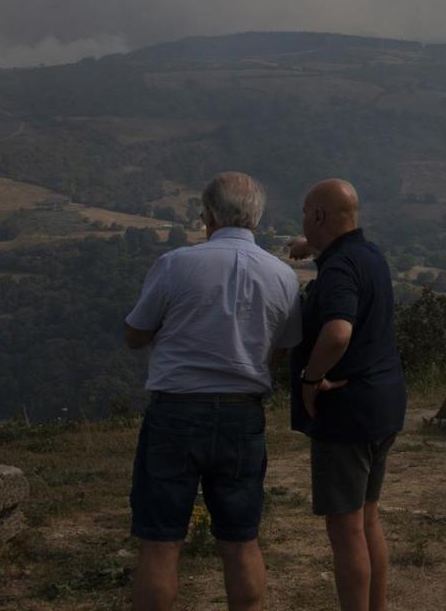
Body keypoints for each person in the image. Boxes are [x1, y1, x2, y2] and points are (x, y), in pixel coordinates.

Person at [124, 172, 302, 611]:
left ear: (208, 215)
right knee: (241, 541)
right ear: (256, 218)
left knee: (160, 543)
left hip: (176, 413)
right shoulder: (284, 276)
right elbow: (283, 349)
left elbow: (135, 334)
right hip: (244, 416)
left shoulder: (176, 263)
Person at [286, 179, 406, 611]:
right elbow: (339, 254)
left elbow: (338, 332)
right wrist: (310, 246)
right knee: (368, 518)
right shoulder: (368, 254)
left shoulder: (338, 268)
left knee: (346, 530)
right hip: (383, 404)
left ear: (318, 216)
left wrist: (309, 378)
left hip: (347, 411)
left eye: (305, 213)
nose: (302, 219)